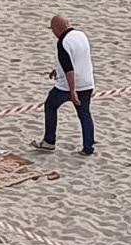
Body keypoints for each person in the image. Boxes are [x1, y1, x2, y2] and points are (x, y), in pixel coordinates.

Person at [36, 14, 96, 156]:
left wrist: (73, 91)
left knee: (50, 105)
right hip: (87, 83)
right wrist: (57, 70)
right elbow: (75, 59)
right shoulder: (81, 35)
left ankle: (49, 141)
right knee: (85, 114)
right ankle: (88, 147)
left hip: (68, 86)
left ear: (57, 29)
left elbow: (69, 69)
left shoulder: (63, 42)